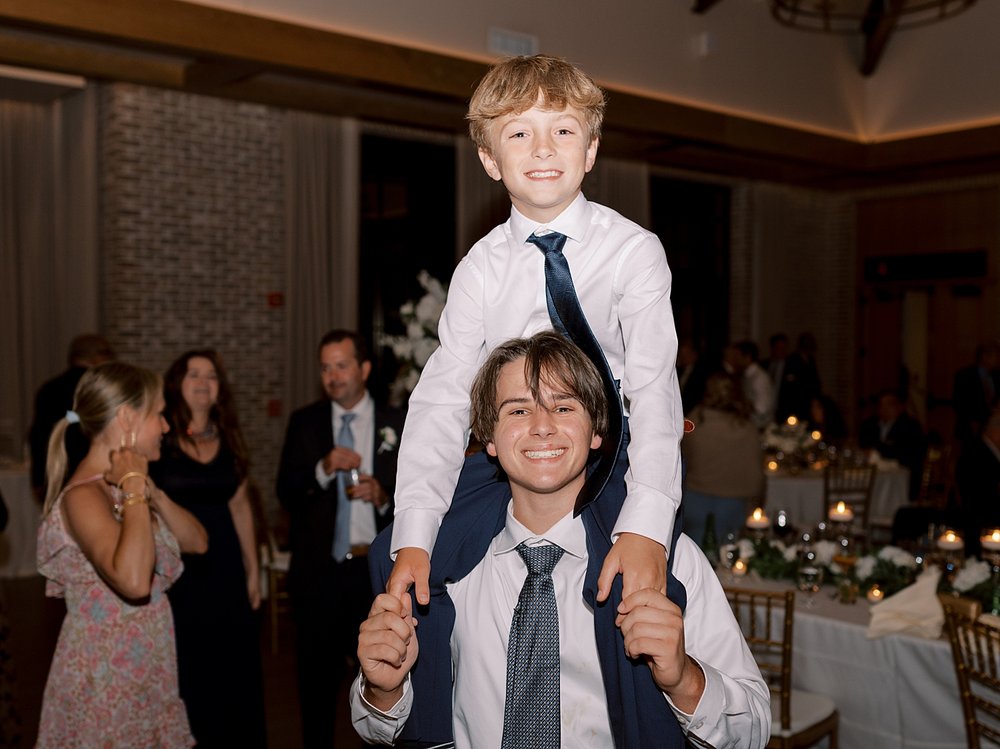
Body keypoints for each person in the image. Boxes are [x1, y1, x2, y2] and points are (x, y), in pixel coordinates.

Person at [352, 332, 769, 747]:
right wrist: (384, 692)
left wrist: (684, 679)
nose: (542, 427)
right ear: (489, 438)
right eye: (518, 411)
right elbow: (375, 728)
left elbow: (754, 729)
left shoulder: (662, 561)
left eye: (564, 406)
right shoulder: (440, 564)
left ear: (597, 432)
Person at [387, 54, 682, 615]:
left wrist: (646, 525)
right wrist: (415, 532)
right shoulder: (480, 267)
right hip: (513, 455)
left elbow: (653, 387)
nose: (543, 149)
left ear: (590, 150)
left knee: (633, 590)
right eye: (519, 133)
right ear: (490, 159)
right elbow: (444, 396)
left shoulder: (633, 251)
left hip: (612, 451)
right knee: (400, 567)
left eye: (563, 131)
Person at [34, 361, 208, 749]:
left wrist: (150, 491)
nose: (166, 427)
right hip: (105, 681)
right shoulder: (83, 496)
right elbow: (132, 580)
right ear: (127, 418)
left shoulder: (130, 489)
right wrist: (133, 484)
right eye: (159, 414)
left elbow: (198, 541)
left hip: (146, 673)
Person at [276, 329, 405, 749]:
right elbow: (286, 491)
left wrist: (383, 498)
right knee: (315, 684)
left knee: (386, 676)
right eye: (325, 368)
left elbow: (422, 494)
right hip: (320, 573)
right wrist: (321, 469)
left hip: (375, 574)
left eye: (341, 365)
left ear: (364, 369)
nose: (332, 376)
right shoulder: (306, 422)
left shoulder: (395, 422)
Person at [148, 350, 266, 748]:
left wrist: (253, 571)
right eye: (193, 374)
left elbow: (239, 505)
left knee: (232, 668)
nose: (203, 381)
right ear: (176, 383)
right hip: (177, 571)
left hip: (226, 568)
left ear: (220, 389)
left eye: (211, 375)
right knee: (189, 667)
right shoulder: (159, 439)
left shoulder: (228, 436)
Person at [28, 334, 115, 501]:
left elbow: (39, 436)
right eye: (107, 354)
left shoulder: (49, 388)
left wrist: (38, 479)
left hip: (54, 473)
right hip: (91, 475)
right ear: (96, 356)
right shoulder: (98, 388)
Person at [682, 372, 764, 547]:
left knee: (695, 563)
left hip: (694, 502)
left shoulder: (693, 423)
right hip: (732, 505)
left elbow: (682, 459)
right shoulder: (747, 428)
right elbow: (755, 475)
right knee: (726, 561)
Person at [858, 390, 926, 499]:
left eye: (889, 404)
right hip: (873, 474)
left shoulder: (910, 426)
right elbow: (863, 446)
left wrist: (878, 450)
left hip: (904, 478)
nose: (884, 408)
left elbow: (908, 453)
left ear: (900, 407)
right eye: (881, 404)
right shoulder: (869, 425)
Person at [953, 341, 1000, 445]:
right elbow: (959, 402)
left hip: (992, 431)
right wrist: (972, 421)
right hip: (969, 430)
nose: (997, 360)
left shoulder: (997, 376)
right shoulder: (965, 375)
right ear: (984, 357)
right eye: (995, 356)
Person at [724, 340, 774, 430]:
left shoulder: (760, 378)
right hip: (751, 426)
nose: (734, 359)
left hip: (760, 428)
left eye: (737, 356)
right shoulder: (745, 375)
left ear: (747, 357)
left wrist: (740, 404)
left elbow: (762, 408)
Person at [777, 331, 821, 422]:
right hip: (795, 404)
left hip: (808, 404)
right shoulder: (792, 360)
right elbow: (789, 386)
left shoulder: (811, 361)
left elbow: (814, 382)